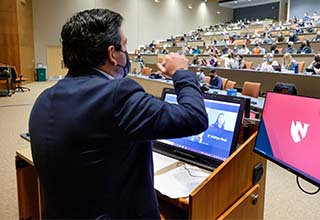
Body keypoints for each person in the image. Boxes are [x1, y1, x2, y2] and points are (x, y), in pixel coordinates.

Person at [29, 9, 208, 219]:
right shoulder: (117, 94)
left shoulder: (43, 99)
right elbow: (195, 116)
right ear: (113, 54)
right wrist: (181, 73)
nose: (127, 53)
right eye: (125, 46)